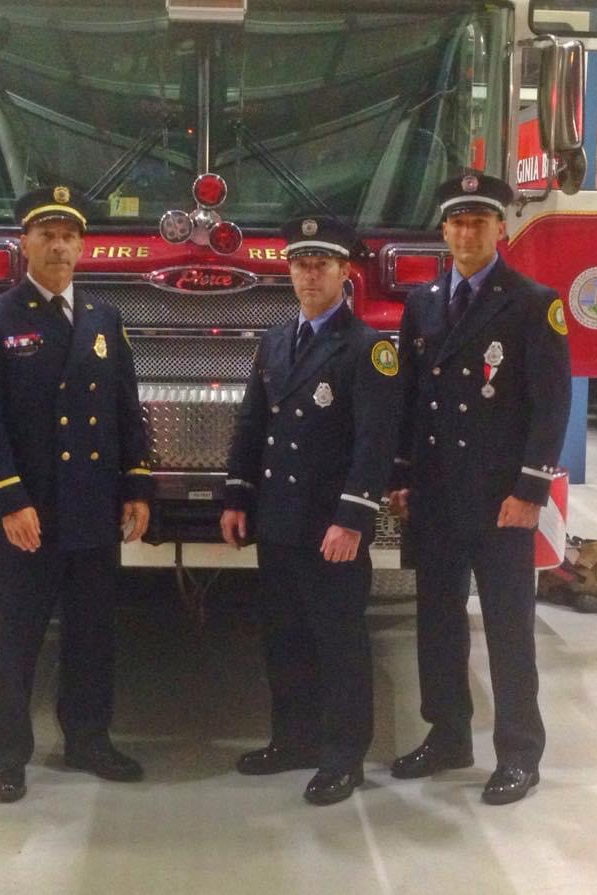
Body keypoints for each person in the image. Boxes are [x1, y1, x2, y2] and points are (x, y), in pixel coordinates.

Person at [0, 186, 153, 803]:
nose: (60, 247)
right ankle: (8, 754)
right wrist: (7, 499)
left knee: (92, 633)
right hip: (32, 510)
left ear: (82, 246)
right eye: (47, 235)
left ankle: (88, 739)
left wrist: (136, 484)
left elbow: (125, 409)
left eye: (69, 236)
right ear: (24, 243)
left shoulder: (103, 319)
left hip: (93, 506)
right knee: (18, 637)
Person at [388, 172, 571, 805]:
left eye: (479, 222)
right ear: (443, 231)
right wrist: (403, 476)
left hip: (500, 498)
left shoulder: (531, 302)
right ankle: (447, 736)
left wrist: (530, 490)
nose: (467, 233)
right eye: (457, 223)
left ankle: (520, 753)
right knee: (437, 623)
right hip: (437, 494)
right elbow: (411, 398)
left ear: (500, 229)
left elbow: (551, 405)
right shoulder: (422, 303)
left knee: (507, 627)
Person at [221, 216, 399, 805]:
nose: (310, 275)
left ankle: (344, 757)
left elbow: (375, 443)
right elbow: (252, 424)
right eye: (300, 264)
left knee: (338, 642)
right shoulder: (275, 341)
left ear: (344, 271)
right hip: (278, 519)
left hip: (330, 526)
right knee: (285, 638)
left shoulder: (369, 348)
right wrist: (237, 495)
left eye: (321, 264)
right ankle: (292, 741)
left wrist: (352, 519)